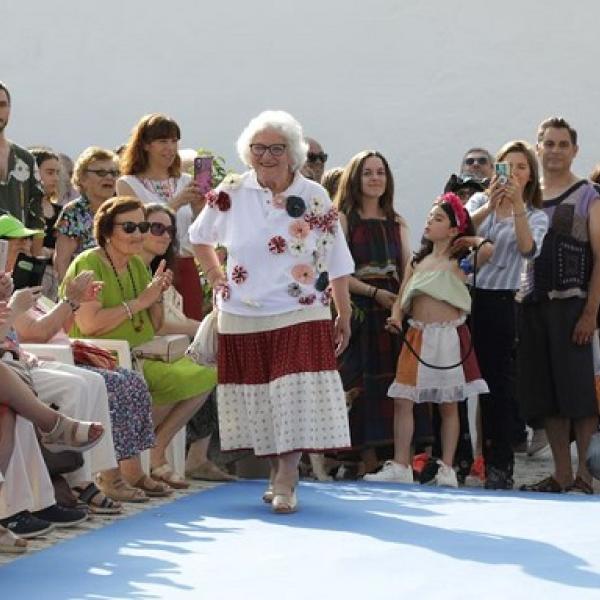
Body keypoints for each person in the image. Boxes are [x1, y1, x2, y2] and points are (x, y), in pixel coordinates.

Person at [190, 110, 354, 513]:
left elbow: (336, 257)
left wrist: (344, 312)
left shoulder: (313, 195)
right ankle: (276, 472)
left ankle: (287, 476)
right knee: (262, 398)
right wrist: (216, 277)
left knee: (292, 395)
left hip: (301, 308)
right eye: (258, 148)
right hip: (242, 311)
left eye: (276, 148)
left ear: (293, 152)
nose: (266, 156)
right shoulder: (231, 190)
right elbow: (199, 236)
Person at [1, 214, 162, 504]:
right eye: (16, 243)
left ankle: (97, 476)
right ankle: (81, 479)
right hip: (24, 362)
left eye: (26, 241)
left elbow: (59, 329)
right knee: (84, 385)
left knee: (99, 382)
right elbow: (38, 333)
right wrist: (70, 300)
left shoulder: (16, 285)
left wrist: (76, 303)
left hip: (35, 359)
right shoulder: (14, 291)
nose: (25, 247)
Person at [61, 196, 217, 489]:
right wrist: (139, 302)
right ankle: (129, 462)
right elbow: (90, 325)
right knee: (146, 383)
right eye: (129, 227)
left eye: (142, 227)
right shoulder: (89, 263)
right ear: (107, 231)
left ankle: (155, 448)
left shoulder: (136, 264)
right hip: (104, 355)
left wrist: (156, 295)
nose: (138, 235)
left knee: (206, 373)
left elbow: (155, 325)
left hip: (144, 352)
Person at [365, 193, 488, 487]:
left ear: (454, 229)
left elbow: (488, 250)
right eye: (430, 217)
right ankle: (401, 464)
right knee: (403, 399)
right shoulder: (417, 260)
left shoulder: (461, 261)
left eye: (439, 218)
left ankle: (447, 466)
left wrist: (470, 240)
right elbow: (402, 296)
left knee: (448, 403)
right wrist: (397, 317)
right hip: (417, 335)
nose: (430, 222)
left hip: (448, 337)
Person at [455, 140, 549, 489]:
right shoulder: (478, 202)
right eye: (507, 167)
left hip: (501, 302)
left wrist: (517, 206)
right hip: (463, 297)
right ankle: (458, 459)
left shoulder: (536, 215)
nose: (514, 174)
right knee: (455, 382)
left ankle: (498, 465)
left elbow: (528, 250)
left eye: (521, 167)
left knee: (496, 386)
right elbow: (456, 231)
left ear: (530, 175)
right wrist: (488, 207)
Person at [516, 117, 600, 494]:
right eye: (548, 143)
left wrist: (590, 313)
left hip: (572, 307)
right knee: (547, 393)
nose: (555, 151)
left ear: (574, 150)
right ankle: (561, 474)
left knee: (579, 395)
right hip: (532, 305)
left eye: (563, 144)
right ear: (538, 148)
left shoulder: (589, 195)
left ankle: (585, 476)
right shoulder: (526, 197)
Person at [140, 203, 234, 481]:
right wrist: (202, 327)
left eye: (170, 230)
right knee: (204, 369)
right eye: (156, 228)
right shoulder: (134, 270)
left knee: (216, 367)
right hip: (143, 351)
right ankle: (159, 451)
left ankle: (184, 454)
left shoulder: (161, 269)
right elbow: (156, 325)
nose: (165, 235)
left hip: (168, 348)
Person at [333, 150, 411, 475]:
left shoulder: (397, 222)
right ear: (355, 178)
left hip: (392, 311)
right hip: (358, 308)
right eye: (368, 172)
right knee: (358, 383)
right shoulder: (343, 220)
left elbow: (408, 269)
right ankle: (361, 459)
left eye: (380, 172)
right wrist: (374, 293)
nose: (375, 178)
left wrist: (399, 304)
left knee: (392, 384)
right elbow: (337, 271)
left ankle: (392, 459)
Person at [116, 113, 206, 320]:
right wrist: (176, 202)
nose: (170, 148)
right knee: (155, 326)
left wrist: (200, 208)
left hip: (185, 264)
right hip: (148, 265)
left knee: (191, 325)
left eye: (174, 141)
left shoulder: (185, 181)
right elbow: (138, 225)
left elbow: (200, 230)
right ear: (145, 145)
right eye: (163, 141)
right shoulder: (127, 183)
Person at [54, 147, 119, 281]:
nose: (109, 177)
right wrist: (67, 290)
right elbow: (62, 260)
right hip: (85, 286)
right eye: (101, 172)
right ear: (82, 178)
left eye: (114, 173)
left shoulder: (124, 210)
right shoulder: (73, 212)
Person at [0, 81, 44, 256]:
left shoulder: (25, 159)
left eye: (2, 105)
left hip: (18, 255)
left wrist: (34, 259)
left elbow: (37, 212)